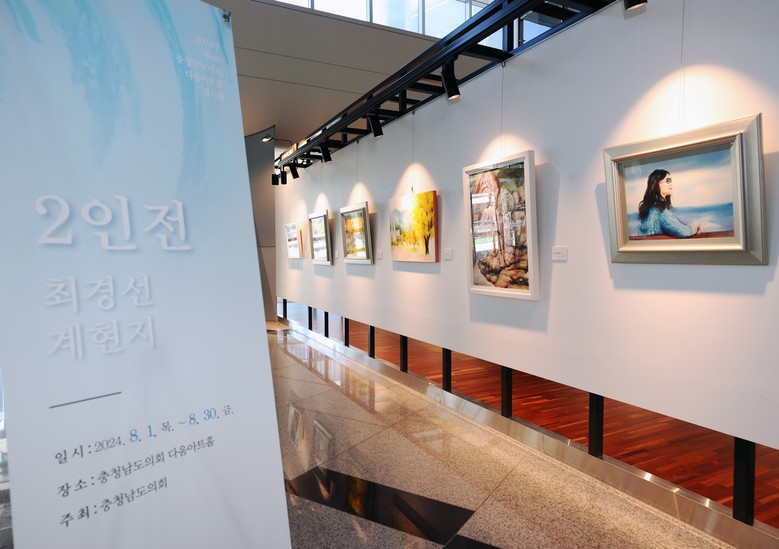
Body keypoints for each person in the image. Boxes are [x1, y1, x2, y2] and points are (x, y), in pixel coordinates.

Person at [637, 169, 700, 238]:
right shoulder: (660, 211)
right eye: (667, 181)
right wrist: (695, 225)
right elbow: (684, 232)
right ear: (656, 184)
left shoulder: (649, 208)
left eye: (670, 181)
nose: (671, 184)